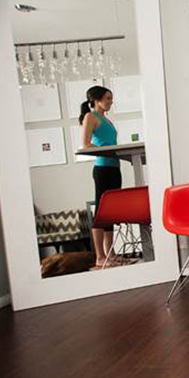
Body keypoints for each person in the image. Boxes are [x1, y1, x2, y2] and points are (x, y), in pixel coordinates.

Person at [79, 85, 122, 268]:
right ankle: (100, 256)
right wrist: (106, 151)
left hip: (114, 168)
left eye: (111, 98)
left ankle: (110, 253)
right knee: (101, 213)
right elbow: (86, 144)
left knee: (110, 212)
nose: (110, 102)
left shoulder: (106, 119)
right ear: (96, 100)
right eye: (107, 98)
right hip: (103, 169)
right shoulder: (91, 117)